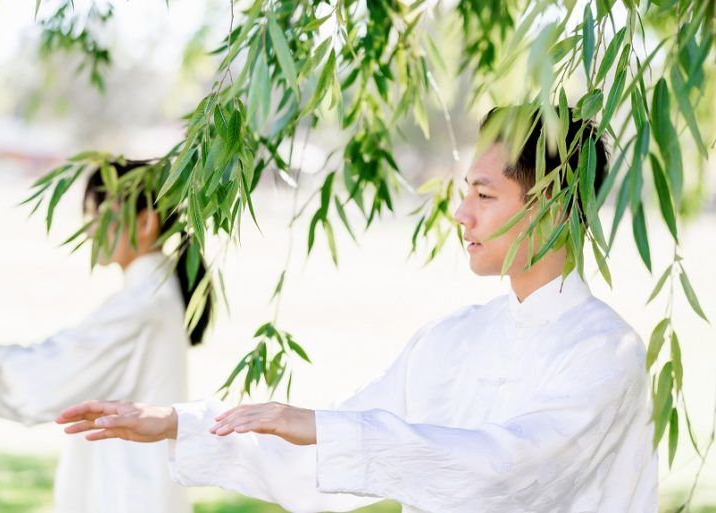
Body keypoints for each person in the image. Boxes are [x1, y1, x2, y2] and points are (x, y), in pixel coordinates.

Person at [57, 108, 658, 513]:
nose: (461, 215)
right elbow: (329, 455)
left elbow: (504, 470)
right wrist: (178, 423)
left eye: (483, 194)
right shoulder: (453, 339)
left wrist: (326, 428)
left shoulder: (605, 354)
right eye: (463, 193)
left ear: (553, 203)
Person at [0, 160, 213, 513]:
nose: (89, 230)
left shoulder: (140, 306)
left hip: (127, 498)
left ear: (145, 223)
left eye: (98, 214)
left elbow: (44, 380)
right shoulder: (153, 296)